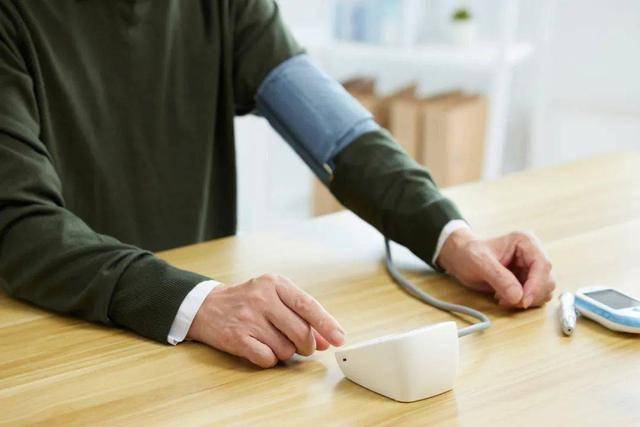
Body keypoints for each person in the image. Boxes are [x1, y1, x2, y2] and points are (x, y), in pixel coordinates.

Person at [0, 0, 555, 369]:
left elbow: (340, 135)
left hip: (199, 353)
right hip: (59, 341)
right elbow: (21, 227)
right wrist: (201, 303)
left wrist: (450, 236)